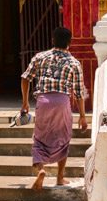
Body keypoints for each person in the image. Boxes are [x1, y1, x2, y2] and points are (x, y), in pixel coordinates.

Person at [20, 26, 88, 190]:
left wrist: (25, 103)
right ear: (69, 43)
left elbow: (25, 78)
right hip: (62, 102)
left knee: (39, 139)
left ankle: (41, 170)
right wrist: (83, 116)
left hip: (43, 101)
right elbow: (79, 92)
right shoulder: (74, 63)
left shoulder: (40, 57)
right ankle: (59, 177)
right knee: (63, 139)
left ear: (52, 40)